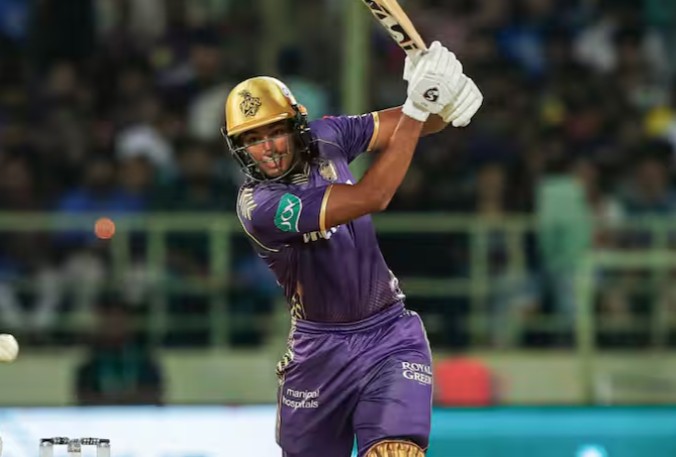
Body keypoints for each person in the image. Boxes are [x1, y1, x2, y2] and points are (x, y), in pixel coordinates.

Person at [221, 42, 482, 457]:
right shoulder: (261, 206)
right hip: (317, 353)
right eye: (252, 139)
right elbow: (372, 196)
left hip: (389, 334)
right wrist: (420, 107)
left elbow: (414, 123)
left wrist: (447, 100)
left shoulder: (327, 136)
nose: (267, 148)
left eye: (275, 131)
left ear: (297, 124)